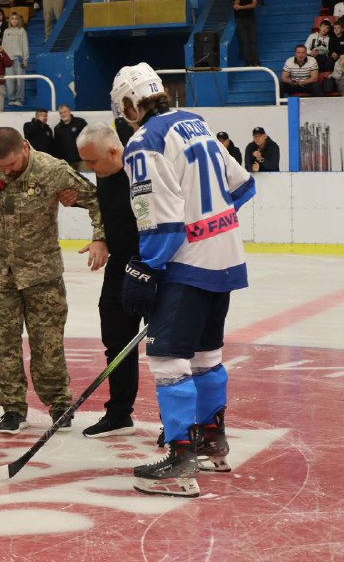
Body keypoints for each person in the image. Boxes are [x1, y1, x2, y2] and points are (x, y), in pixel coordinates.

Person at [110, 62, 256, 497]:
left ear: (133, 104)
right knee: (207, 354)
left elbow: (163, 221)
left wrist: (147, 266)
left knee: (169, 359)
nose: (123, 115)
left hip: (186, 264)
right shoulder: (196, 123)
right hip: (225, 257)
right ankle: (212, 441)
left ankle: (180, 459)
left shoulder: (143, 142)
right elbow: (243, 185)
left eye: (123, 107)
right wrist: (208, 224)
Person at [0, 127, 105, 433]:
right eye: (1, 167)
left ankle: (59, 403)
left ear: (25, 148)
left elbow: (95, 198)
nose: (6, 171)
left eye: (11, 164)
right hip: (2, 274)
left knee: (48, 344)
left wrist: (99, 238)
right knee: (5, 344)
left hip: (43, 274)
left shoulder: (53, 170)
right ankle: (12, 407)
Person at [66, 122, 142, 438]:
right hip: (119, 267)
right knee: (116, 340)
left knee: (167, 350)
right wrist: (101, 237)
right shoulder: (104, 170)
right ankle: (119, 413)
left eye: (93, 162)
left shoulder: (143, 171)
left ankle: (175, 424)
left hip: (154, 266)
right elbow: (104, 208)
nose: (90, 169)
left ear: (113, 151)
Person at [232, 0, 259, 66]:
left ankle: (256, 61)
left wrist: (241, 7)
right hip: (240, 20)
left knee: (253, 40)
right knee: (244, 41)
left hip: (251, 19)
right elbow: (235, 6)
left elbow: (254, 5)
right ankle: (249, 62)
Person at [53, 104, 88, 171]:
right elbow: (56, 147)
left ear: (69, 111)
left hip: (82, 161)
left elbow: (88, 138)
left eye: (65, 112)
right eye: (61, 113)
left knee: (85, 180)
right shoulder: (57, 128)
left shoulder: (80, 122)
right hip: (67, 163)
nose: (63, 114)